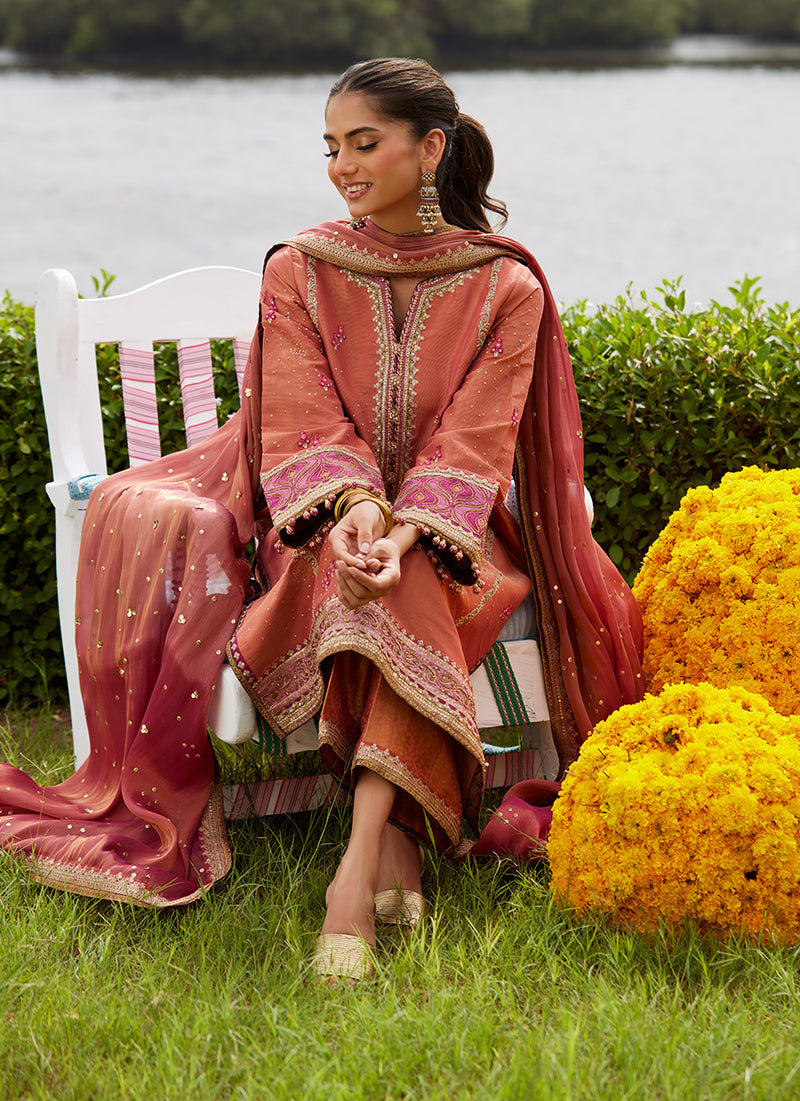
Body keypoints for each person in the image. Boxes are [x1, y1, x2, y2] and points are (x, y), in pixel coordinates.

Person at [0, 58, 643, 981]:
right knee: (361, 577)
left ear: (430, 148)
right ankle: (389, 851)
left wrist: (410, 529)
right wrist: (356, 511)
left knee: (406, 577)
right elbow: (301, 419)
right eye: (331, 147)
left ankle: (358, 859)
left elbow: (473, 443)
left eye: (364, 143)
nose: (342, 165)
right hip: (309, 523)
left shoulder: (508, 288)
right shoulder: (300, 269)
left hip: (459, 541)